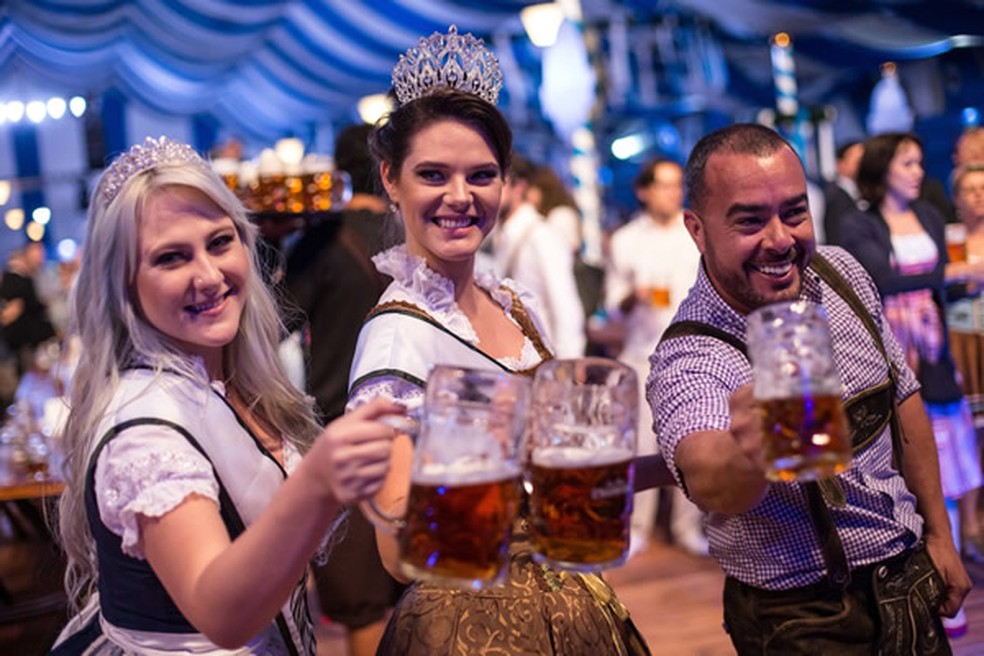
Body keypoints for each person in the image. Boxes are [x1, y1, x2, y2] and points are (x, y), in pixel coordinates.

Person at [348, 26, 654, 655]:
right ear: (391, 179)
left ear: (506, 182)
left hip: (573, 603)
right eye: (433, 174)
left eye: (481, 175)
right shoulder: (396, 338)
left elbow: (557, 485)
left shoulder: (510, 302)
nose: (460, 198)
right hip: (471, 632)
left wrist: (672, 466)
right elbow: (397, 553)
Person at [49, 136, 401, 655]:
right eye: (171, 258)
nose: (209, 276)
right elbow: (221, 615)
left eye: (219, 242)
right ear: (124, 283)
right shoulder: (145, 430)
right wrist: (318, 482)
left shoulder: (224, 380)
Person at [649, 123, 970, 655]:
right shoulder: (691, 353)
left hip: (909, 579)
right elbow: (710, 477)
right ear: (697, 230)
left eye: (794, 212)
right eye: (750, 221)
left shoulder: (841, 272)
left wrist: (939, 533)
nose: (779, 239)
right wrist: (747, 452)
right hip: (802, 617)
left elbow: (902, 396)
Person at [840, 134, 984, 618]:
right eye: (908, 162)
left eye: (920, 161)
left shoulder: (926, 216)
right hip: (892, 344)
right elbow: (878, 281)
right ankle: (922, 578)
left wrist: (961, 287)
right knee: (907, 460)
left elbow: (944, 278)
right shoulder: (857, 223)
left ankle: (955, 564)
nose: (918, 171)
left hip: (935, 341)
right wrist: (946, 278)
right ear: (884, 169)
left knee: (948, 456)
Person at [282, 122, 405, 656]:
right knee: (423, 591)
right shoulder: (415, 234)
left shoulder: (322, 240)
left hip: (345, 433)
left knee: (362, 605)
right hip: (417, 430)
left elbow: (273, 322)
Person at [605, 157, 705, 557]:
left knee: (694, 442)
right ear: (644, 191)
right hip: (643, 353)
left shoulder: (693, 233)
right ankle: (636, 527)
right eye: (664, 185)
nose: (672, 192)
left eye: (677, 184)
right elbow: (613, 306)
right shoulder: (626, 240)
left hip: (691, 352)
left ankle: (687, 527)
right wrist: (635, 295)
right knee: (640, 446)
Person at [493, 154, 586, 358]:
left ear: (519, 187)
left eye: (496, 181)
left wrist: (566, 371)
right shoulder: (503, 234)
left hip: (542, 366)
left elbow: (565, 307)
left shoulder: (542, 235)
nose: (488, 192)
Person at [944, 162, 984, 559]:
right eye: (970, 189)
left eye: (983, 187)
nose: (978, 195)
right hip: (963, 343)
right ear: (957, 199)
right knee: (969, 435)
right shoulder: (950, 240)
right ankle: (971, 525)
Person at [0, 241, 57, 376]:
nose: (40, 259)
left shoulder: (25, 279)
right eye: (37, 254)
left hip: (24, 345)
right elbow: (10, 314)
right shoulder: (16, 280)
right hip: (24, 346)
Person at [823, 139, 864, 246]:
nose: (862, 165)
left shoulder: (858, 193)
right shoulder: (835, 197)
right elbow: (836, 238)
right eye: (858, 161)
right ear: (839, 164)